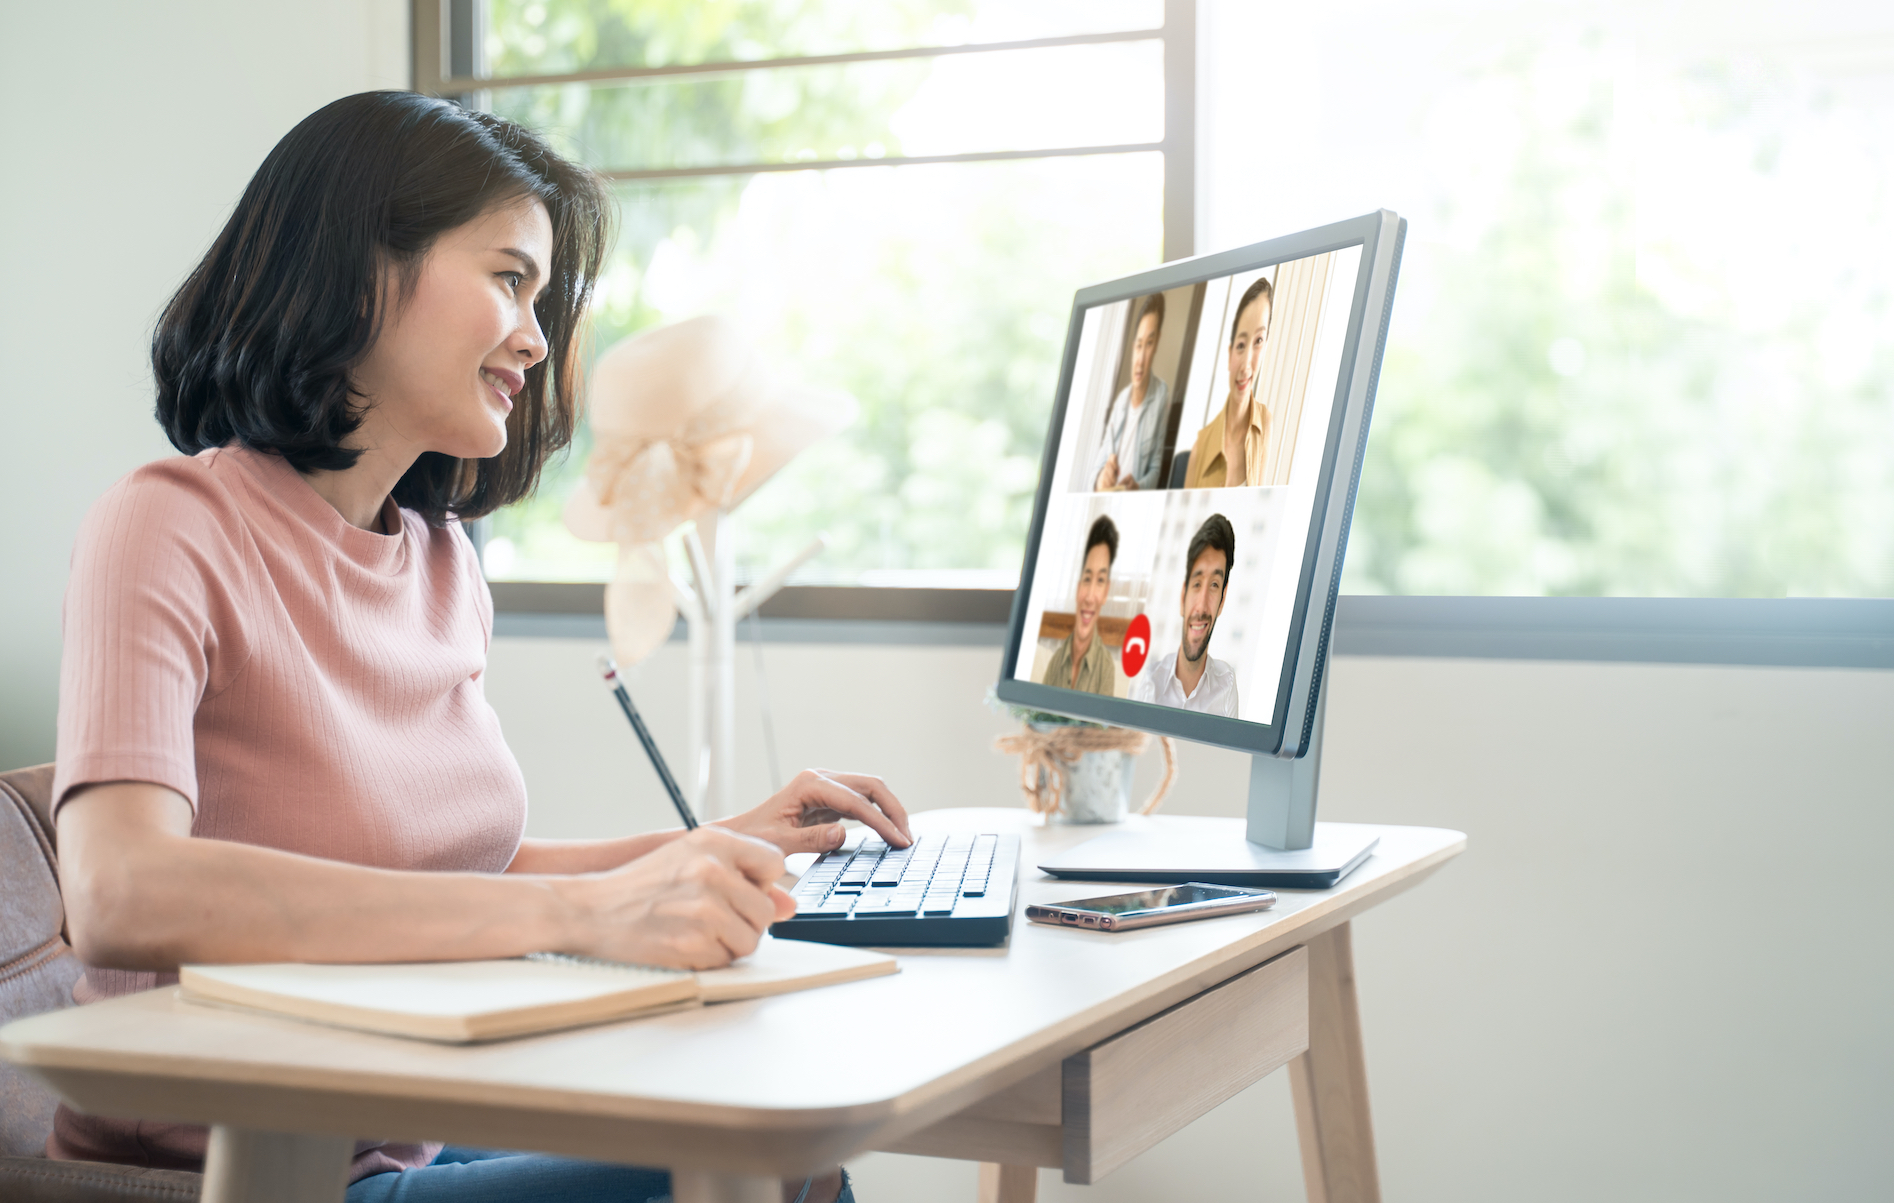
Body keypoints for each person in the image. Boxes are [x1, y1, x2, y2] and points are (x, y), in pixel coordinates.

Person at [49, 92, 883, 1203]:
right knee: (768, 1165)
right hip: (256, 1162)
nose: (537, 340)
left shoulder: (439, 559)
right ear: (357, 268)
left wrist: (716, 843)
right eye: (508, 278)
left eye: (542, 297)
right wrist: (592, 912)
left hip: (405, 1124)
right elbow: (120, 888)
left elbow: (449, 876)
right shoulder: (167, 524)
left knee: (783, 1133)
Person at [1129, 514, 1239, 716]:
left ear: (1222, 600)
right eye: (1197, 584)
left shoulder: (1226, 685)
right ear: (1182, 597)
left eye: (1214, 585)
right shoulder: (1151, 685)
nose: (1202, 606)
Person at [1184, 278, 1273, 488]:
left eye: (1258, 341)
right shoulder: (1200, 449)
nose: (1246, 366)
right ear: (1229, 353)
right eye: (1241, 345)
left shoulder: (1264, 424)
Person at [1094, 292, 1171, 491]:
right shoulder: (1121, 401)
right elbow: (1100, 462)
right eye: (1138, 345)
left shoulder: (1161, 394)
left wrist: (1138, 486)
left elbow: (1155, 468)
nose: (1140, 359)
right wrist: (1100, 479)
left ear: (1157, 344)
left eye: (1149, 344)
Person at [1041, 515, 1119, 695]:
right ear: (1077, 588)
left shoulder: (1106, 668)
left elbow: (1100, 724)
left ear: (1106, 592)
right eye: (1087, 578)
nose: (1090, 597)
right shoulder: (1056, 661)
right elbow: (1038, 719)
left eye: (1100, 580)